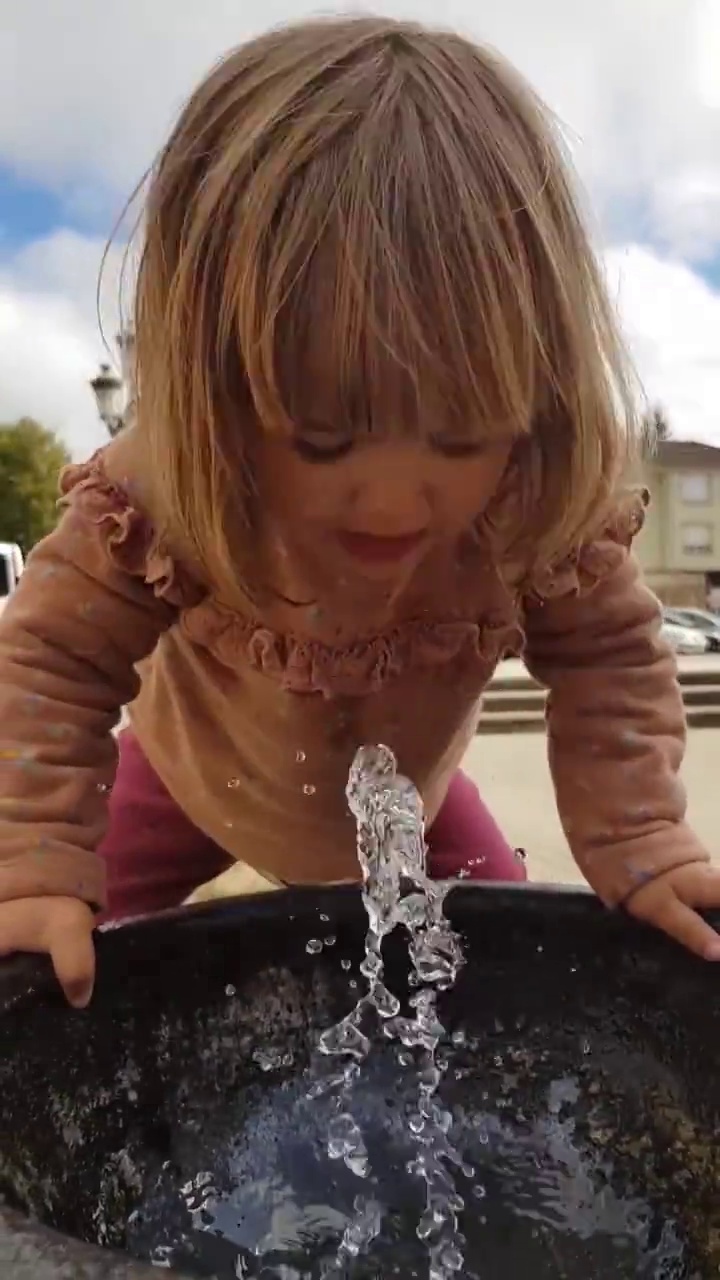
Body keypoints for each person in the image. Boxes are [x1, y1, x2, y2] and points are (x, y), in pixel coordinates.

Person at [0, 16, 716, 1010]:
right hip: (184, 782)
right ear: (215, 397)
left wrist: (639, 835)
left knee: (519, 991)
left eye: (464, 434)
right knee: (47, 974)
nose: (390, 499)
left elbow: (611, 662)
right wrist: (30, 862)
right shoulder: (160, 495)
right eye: (320, 437)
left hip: (406, 810)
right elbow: (50, 661)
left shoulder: (532, 505)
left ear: (538, 399)